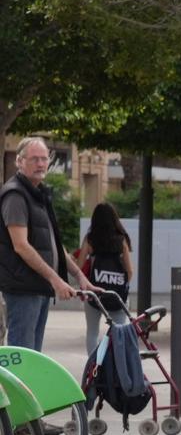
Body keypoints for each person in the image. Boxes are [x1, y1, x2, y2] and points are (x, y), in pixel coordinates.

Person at [0, 137, 76, 350]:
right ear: (19, 161)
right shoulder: (15, 194)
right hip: (23, 288)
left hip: (38, 287)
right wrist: (56, 280)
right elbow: (21, 246)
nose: (41, 164)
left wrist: (80, 277)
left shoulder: (39, 194)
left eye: (44, 159)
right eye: (34, 159)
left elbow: (55, 244)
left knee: (34, 355)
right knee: (24, 356)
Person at [70, 203, 133, 353]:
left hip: (94, 294)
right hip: (117, 295)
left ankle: (94, 368)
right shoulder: (121, 240)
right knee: (118, 334)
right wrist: (120, 286)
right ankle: (115, 365)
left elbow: (79, 266)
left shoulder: (90, 239)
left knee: (92, 332)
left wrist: (72, 260)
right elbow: (130, 270)